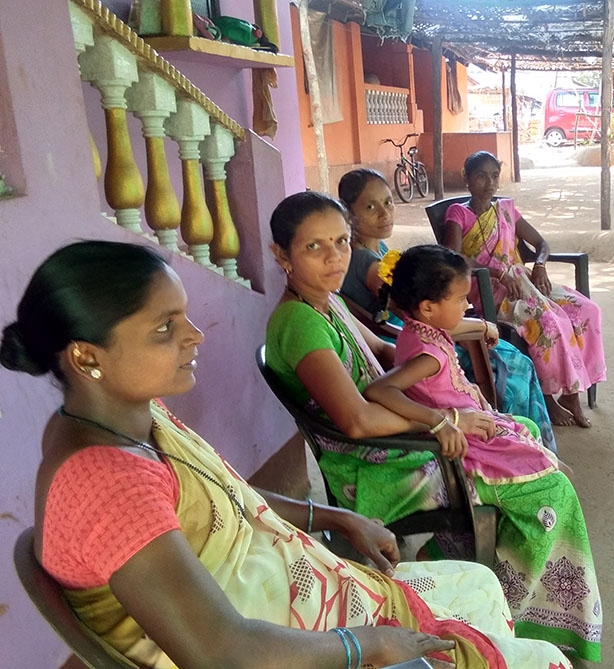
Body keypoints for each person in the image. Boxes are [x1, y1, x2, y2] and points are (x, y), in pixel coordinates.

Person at [0, 240, 572, 668]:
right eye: (163, 328)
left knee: (478, 584)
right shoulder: (106, 485)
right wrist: (367, 643)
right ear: (86, 357)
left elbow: (234, 499)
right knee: (542, 660)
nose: (195, 334)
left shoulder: (130, 417)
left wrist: (336, 517)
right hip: (274, 644)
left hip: (295, 594)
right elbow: (223, 651)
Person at [264, 192, 601, 661]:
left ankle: (460, 571)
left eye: (341, 242)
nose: (335, 257)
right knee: (549, 490)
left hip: (399, 434)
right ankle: (517, 614)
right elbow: (357, 421)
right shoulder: (299, 324)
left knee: (516, 424)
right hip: (376, 462)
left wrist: (448, 341)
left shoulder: (326, 303)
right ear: (281, 254)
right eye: (314, 247)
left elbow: (385, 353)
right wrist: (445, 417)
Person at [364, 245, 603, 660]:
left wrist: (478, 324)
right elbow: (379, 389)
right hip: (465, 449)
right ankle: (519, 605)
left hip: (471, 429)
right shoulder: (426, 353)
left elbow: (447, 333)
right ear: (428, 306)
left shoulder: (421, 331)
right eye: (460, 299)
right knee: (555, 490)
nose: (468, 302)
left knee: (527, 431)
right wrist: (440, 420)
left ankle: (454, 549)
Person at [337, 168, 558, 452]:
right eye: (371, 207)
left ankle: (524, 439)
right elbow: (420, 319)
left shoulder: (379, 248)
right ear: (349, 213)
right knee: (511, 366)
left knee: (511, 354)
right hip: (415, 345)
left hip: (424, 333)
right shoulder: (369, 263)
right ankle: (509, 443)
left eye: (388, 202)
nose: (385, 213)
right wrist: (480, 326)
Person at [443, 151, 606, 428]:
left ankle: (572, 392)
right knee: (549, 322)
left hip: (524, 280)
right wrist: (498, 272)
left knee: (587, 310)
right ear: (467, 178)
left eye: (494, 175)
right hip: (487, 285)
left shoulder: (506, 209)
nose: (489, 182)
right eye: (481, 176)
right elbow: (452, 257)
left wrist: (540, 265)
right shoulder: (458, 213)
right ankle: (549, 397)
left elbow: (541, 243)